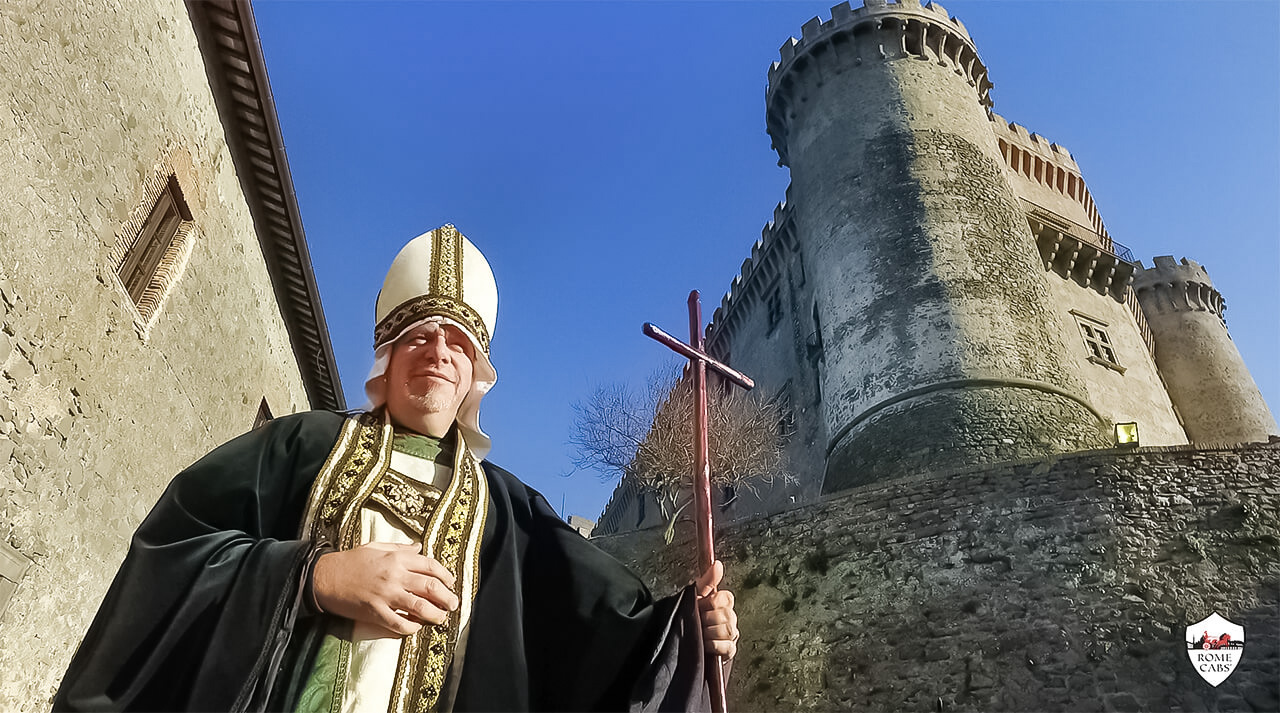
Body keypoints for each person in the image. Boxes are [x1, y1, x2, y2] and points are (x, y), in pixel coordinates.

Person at [54, 225, 738, 712]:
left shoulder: (513, 515)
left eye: (458, 341)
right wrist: (313, 575)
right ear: (387, 356)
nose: (437, 350)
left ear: (477, 374)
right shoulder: (302, 446)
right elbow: (170, 550)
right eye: (418, 334)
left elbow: (613, 642)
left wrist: (690, 631)